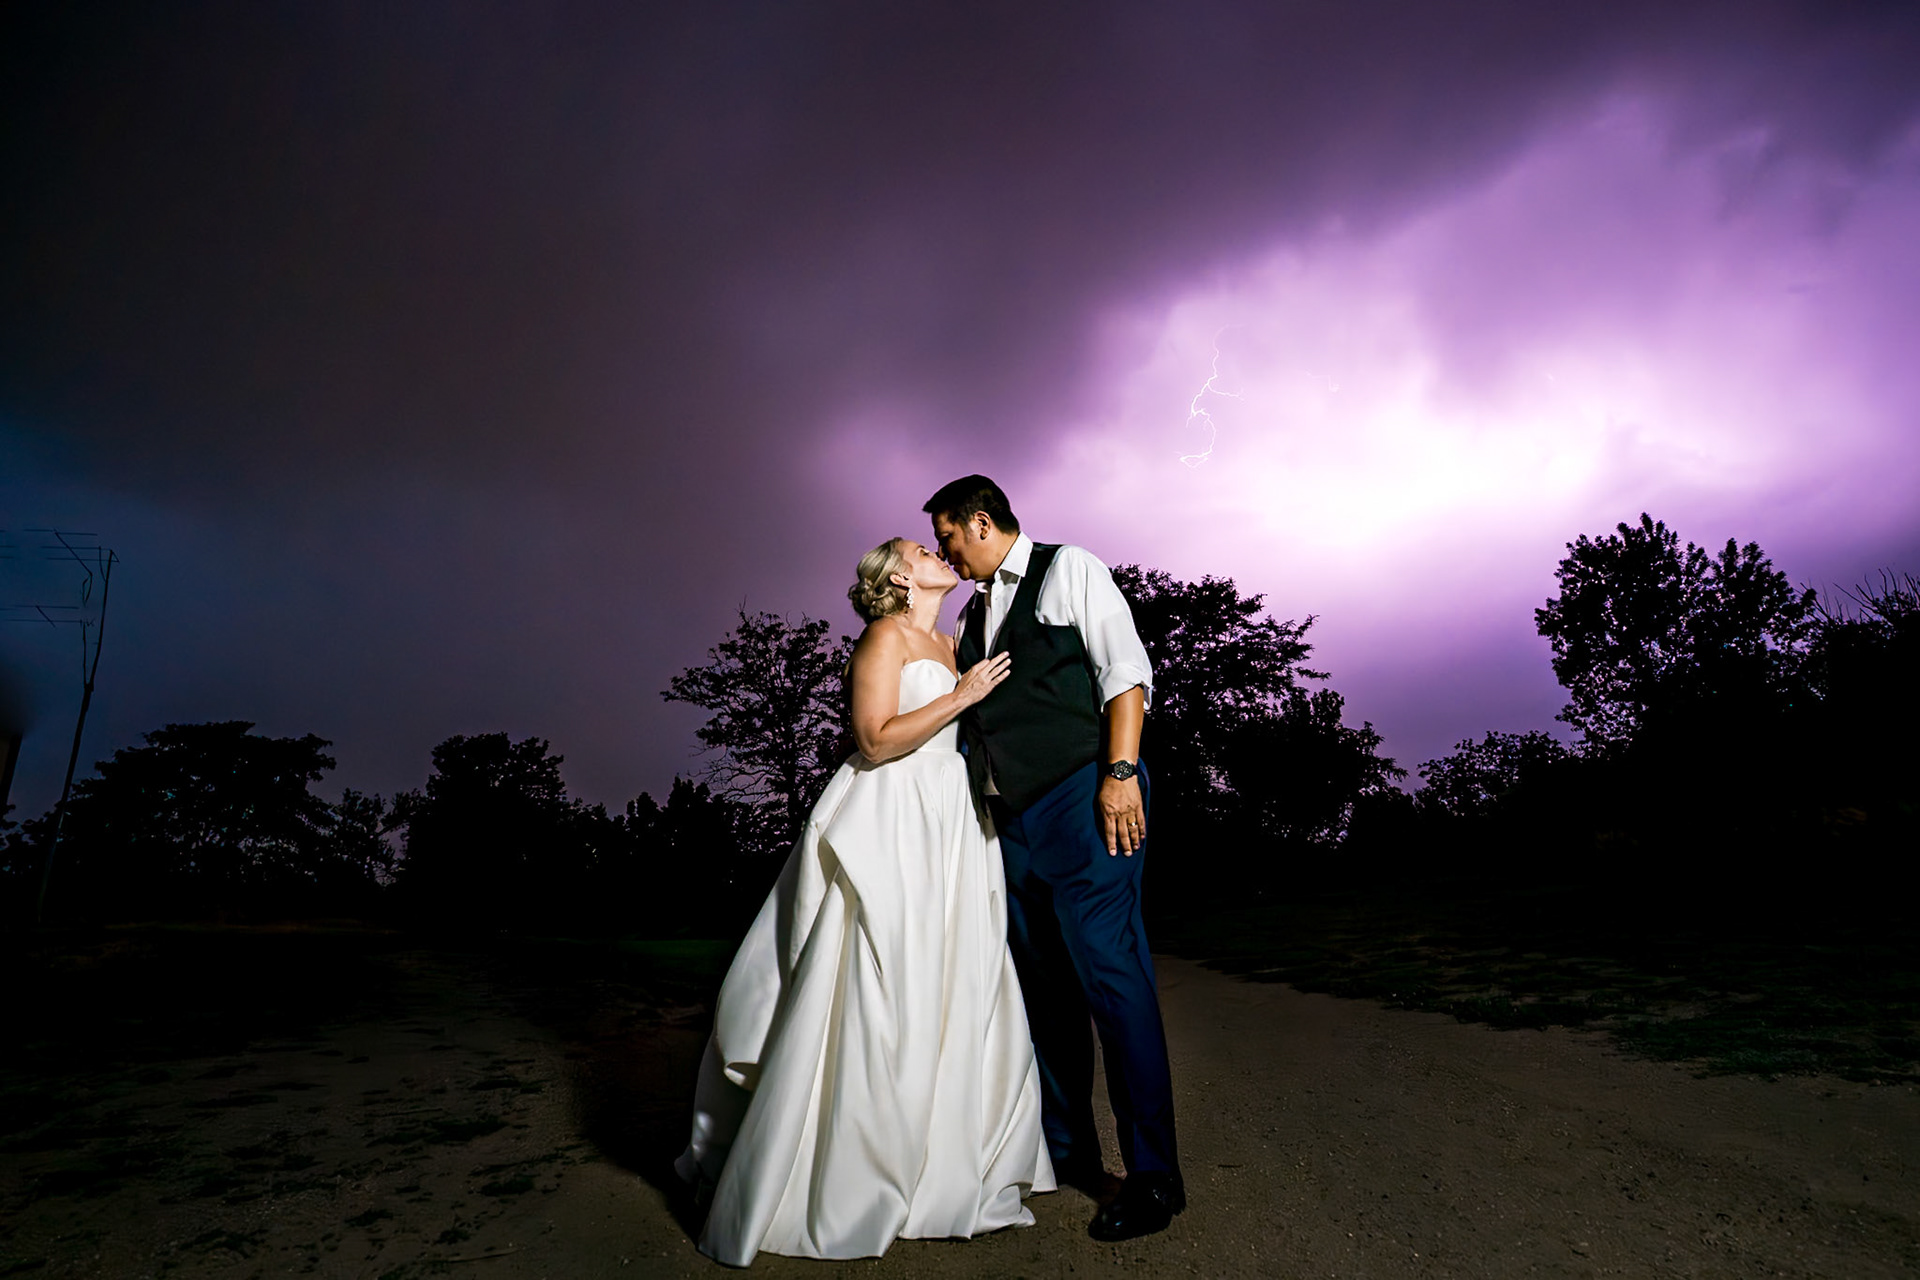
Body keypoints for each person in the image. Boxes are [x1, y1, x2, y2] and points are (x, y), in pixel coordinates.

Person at [674, 537, 1054, 1266]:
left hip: (953, 820)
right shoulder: (885, 636)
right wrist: (962, 696)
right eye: (919, 547)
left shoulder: (951, 640)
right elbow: (875, 741)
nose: (935, 550)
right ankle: (855, 1169)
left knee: (957, 975)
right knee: (881, 977)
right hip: (895, 816)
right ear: (900, 575)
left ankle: (943, 1157)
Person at [925, 474, 1184, 1242]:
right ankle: (1070, 1155)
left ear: (980, 521)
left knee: (1111, 973)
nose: (945, 552)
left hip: (1085, 796)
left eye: (947, 537)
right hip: (1013, 823)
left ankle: (1154, 1178)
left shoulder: (1068, 568)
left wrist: (1121, 773)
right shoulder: (972, 617)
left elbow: (1125, 673)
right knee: (1044, 991)